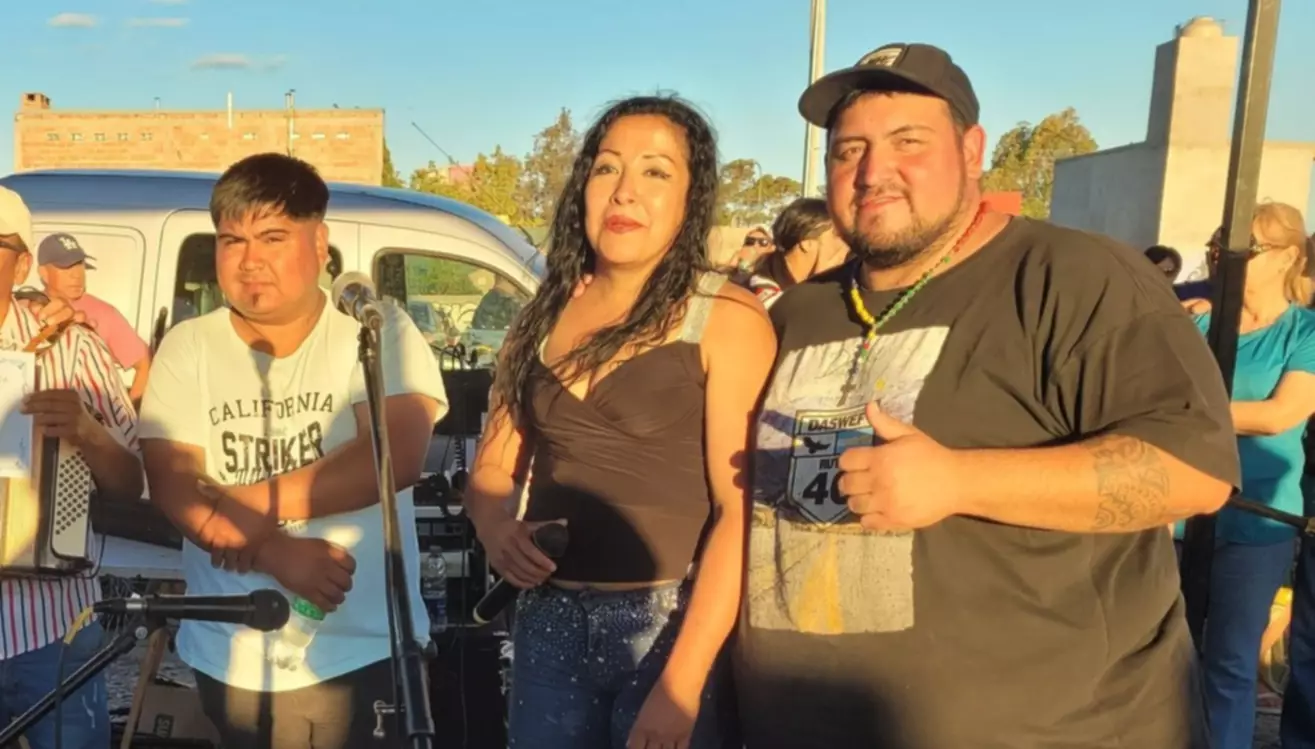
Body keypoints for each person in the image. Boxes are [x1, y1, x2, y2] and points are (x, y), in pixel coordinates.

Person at [733, 42, 1238, 749]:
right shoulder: (798, 311)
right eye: (849, 151)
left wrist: (958, 479)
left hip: (1056, 730)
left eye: (908, 141)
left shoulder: (1076, 276)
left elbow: (1192, 471)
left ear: (971, 151)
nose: (873, 172)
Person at [466, 95, 775, 749]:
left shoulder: (727, 318)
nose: (624, 191)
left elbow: (739, 514)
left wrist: (682, 682)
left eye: (655, 171)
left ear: (691, 197)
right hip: (547, 627)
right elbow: (492, 469)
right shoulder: (538, 317)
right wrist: (496, 529)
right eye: (606, 168)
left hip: (666, 629)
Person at [137, 153, 447, 749]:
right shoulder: (188, 345)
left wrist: (250, 504)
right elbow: (175, 483)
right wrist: (274, 551)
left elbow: (395, 453)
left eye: (273, 238)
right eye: (232, 241)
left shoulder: (376, 330)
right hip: (233, 654)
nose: (250, 260)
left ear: (320, 242)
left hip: (364, 651)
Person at [0, 186, 143, 749]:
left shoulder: (72, 348)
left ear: (21, 264)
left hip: (52, 628)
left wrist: (87, 430)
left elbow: (133, 483)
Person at [1173, 202, 1315, 748]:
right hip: (1175, 515)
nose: (1220, 255)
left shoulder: (1304, 332)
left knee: (1229, 663)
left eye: (1242, 247)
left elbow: (1280, 415)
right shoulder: (1193, 319)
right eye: (1216, 243)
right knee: (1163, 658)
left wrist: (1188, 412)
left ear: (1287, 257)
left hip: (1258, 523)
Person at [35, 232, 152, 402]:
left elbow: (145, 364)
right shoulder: (26, 310)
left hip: (86, 417)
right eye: (66, 267)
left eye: (80, 265)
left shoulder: (103, 313)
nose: (77, 275)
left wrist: (128, 413)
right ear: (44, 273)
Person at [736, 197, 849, 308]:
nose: (845, 245)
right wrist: (821, 286)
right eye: (837, 236)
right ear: (807, 243)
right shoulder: (765, 300)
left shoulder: (783, 283)